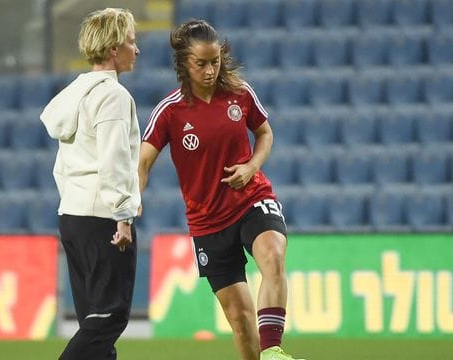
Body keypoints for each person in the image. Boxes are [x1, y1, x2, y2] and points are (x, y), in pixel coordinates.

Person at [139, 20, 304, 360]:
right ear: (185, 62)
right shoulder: (169, 112)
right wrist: (130, 205)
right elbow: (141, 164)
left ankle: (273, 350)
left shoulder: (239, 93)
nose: (210, 69)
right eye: (201, 63)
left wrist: (252, 167)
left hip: (251, 199)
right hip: (208, 222)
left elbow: (265, 133)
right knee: (241, 320)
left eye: (214, 61)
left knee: (273, 253)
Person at [39, 8, 141, 360]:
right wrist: (123, 215)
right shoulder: (113, 96)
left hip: (73, 213)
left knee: (94, 323)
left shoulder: (73, 95)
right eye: (130, 41)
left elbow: (61, 166)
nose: (136, 49)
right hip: (102, 216)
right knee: (110, 317)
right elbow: (114, 160)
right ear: (113, 49)